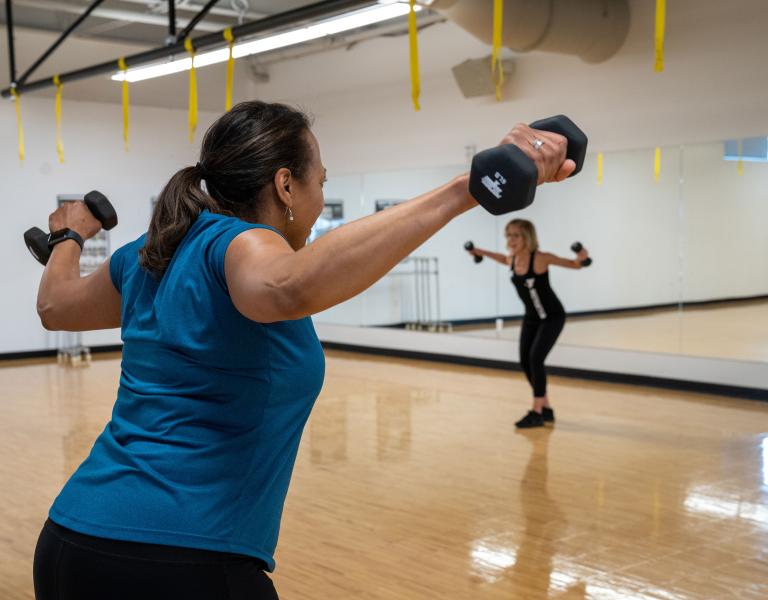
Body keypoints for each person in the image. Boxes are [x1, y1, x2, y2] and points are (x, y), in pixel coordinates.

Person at [32, 101, 575, 600]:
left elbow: (57, 307)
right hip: (180, 564)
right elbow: (286, 286)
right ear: (286, 186)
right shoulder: (238, 244)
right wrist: (465, 191)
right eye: (321, 182)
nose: (320, 202)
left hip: (71, 541)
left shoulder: (146, 255)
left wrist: (69, 237)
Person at [466, 220, 589, 428]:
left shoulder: (540, 258)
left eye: (516, 235)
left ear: (527, 237)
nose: (511, 240)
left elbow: (574, 265)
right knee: (525, 361)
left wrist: (581, 256)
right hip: (531, 317)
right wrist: (480, 252)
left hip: (552, 317)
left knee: (535, 358)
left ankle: (536, 412)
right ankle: (546, 407)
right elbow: (502, 259)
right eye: (508, 235)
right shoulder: (512, 259)